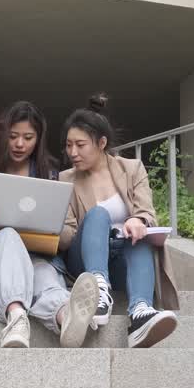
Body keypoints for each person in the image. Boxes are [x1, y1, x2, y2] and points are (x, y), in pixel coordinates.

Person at [0, 101, 99, 348]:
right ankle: (16, 316)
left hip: (38, 257)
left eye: (28, 137)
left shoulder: (49, 173)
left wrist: (49, 226)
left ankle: (65, 316)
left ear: (38, 139)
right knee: (8, 235)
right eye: (13, 136)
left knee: (43, 275)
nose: (20, 144)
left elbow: (69, 234)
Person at [59, 93, 181, 348]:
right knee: (98, 215)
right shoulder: (65, 179)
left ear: (101, 142)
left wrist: (138, 221)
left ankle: (140, 313)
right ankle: (97, 291)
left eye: (80, 145)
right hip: (84, 259)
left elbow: (147, 213)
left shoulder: (132, 169)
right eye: (69, 145)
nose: (72, 152)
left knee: (139, 235)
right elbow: (67, 237)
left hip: (123, 257)